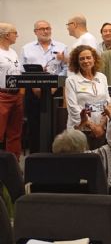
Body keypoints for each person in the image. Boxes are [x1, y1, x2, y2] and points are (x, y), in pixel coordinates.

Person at [52, 104, 111, 190]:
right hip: (103, 200)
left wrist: (81, 125)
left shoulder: (53, 165)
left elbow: (70, 143)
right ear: (83, 148)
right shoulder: (93, 159)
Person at [21, 20, 67, 152]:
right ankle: (35, 157)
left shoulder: (62, 47)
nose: (45, 31)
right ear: (35, 32)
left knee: (55, 125)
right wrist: (34, 86)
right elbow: (21, 71)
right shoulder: (26, 48)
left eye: (48, 28)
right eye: (42, 29)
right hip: (33, 92)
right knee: (34, 125)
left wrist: (54, 86)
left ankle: (54, 156)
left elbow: (66, 69)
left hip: (55, 91)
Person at [65, 45, 110, 130]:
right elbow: (73, 108)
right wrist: (92, 127)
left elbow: (107, 103)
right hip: (80, 129)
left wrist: (100, 126)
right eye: (82, 59)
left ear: (94, 59)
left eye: (88, 57)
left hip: (102, 128)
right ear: (77, 62)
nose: (86, 61)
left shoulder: (102, 77)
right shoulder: (71, 80)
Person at [0, 23, 23, 159]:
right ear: (7, 35)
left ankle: (13, 164)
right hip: (2, 95)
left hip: (16, 95)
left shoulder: (13, 52)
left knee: (15, 133)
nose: (17, 35)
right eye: (15, 33)